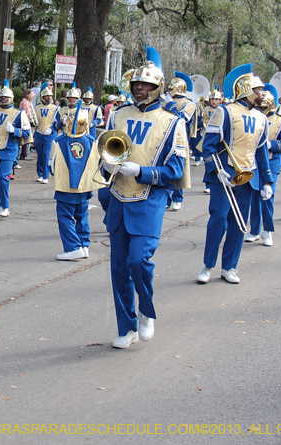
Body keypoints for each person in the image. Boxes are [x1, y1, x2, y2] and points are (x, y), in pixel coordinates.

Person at [102, 47, 187, 348]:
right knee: (118, 268)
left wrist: (142, 171)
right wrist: (106, 174)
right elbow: (105, 154)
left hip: (149, 200)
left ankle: (145, 312)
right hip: (117, 198)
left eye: (147, 85)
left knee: (139, 261)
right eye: (137, 84)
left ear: (157, 88)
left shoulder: (173, 121)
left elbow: (175, 170)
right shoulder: (118, 114)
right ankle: (126, 327)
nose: (140, 88)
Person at [197, 64, 273, 285]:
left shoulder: (262, 118)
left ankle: (230, 266)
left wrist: (267, 180)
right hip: (224, 174)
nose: (262, 93)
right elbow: (208, 146)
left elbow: (261, 151)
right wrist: (216, 169)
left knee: (239, 223)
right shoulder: (224, 111)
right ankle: (208, 265)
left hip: (248, 177)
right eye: (258, 89)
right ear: (247, 89)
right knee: (218, 219)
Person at [50, 107, 103, 260]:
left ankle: (73, 247)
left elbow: (52, 167)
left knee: (64, 216)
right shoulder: (92, 141)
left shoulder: (59, 141)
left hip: (65, 186)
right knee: (82, 216)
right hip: (85, 186)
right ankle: (83, 245)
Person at [245, 87, 281, 247]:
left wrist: (270, 145)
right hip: (253, 162)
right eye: (259, 107)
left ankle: (268, 231)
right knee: (254, 197)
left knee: (267, 197)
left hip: (271, 162)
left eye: (264, 107)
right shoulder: (252, 117)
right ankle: (254, 230)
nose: (261, 110)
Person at [0, 80, 30, 218]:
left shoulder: (19, 113)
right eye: (1, 97)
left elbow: (26, 133)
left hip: (9, 149)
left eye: (6, 97)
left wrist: (14, 130)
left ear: (11, 98)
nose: (3, 99)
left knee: (3, 177)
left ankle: (5, 206)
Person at [165, 73, 196, 211]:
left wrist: (170, 104)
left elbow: (182, 118)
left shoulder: (189, 104)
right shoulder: (165, 101)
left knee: (179, 170)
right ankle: (166, 198)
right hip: (164, 138)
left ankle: (177, 198)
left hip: (180, 139)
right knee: (164, 168)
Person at [33, 83, 58, 184]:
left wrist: (52, 128)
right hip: (39, 133)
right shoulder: (36, 107)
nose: (49, 98)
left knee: (46, 155)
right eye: (46, 96)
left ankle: (46, 175)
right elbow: (34, 120)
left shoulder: (55, 108)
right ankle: (40, 173)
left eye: (50, 96)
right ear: (42, 97)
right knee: (39, 155)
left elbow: (57, 121)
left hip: (50, 134)